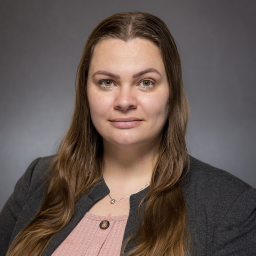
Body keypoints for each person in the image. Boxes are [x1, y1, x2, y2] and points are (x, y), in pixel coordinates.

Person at [0, 11, 255, 256]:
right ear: (85, 92)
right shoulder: (39, 180)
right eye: (107, 82)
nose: (124, 101)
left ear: (172, 93)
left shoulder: (232, 206)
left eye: (146, 82)